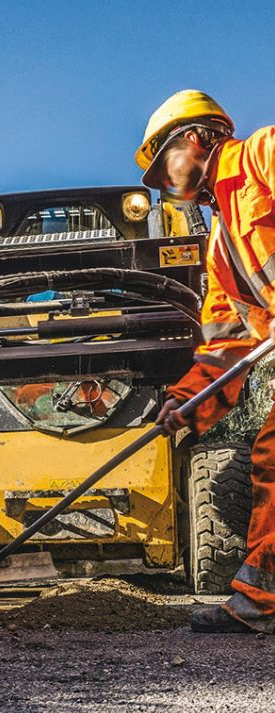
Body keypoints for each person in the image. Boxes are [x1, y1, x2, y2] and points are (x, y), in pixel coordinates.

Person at [136, 90, 275, 633]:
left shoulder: (263, 157)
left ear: (194, 138)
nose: (166, 186)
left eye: (163, 166)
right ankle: (262, 601)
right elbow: (224, 344)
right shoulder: (220, 246)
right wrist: (183, 405)